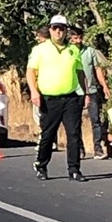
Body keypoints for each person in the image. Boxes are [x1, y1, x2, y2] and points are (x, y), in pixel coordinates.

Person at [26, 14, 88, 182]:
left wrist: (86, 93)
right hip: (49, 99)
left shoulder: (73, 50)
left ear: (66, 31)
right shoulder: (40, 49)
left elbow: (80, 72)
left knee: (73, 134)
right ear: (50, 30)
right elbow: (31, 71)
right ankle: (41, 165)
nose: (58, 32)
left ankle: (74, 169)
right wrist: (34, 92)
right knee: (48, 134)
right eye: (55, 28)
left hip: (71, 98)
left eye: (62, 29)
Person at [70, 26, 112, 158]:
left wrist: (104, 85)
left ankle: (98, 148)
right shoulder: (68, 52)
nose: (78, 40)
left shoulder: (90, 51)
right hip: (74, 91)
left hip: (92, 89)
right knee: (76, 122)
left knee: (95, 120)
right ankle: (80, 148)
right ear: (70, 39)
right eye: (75, 38)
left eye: (80, 37)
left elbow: (97, 69)